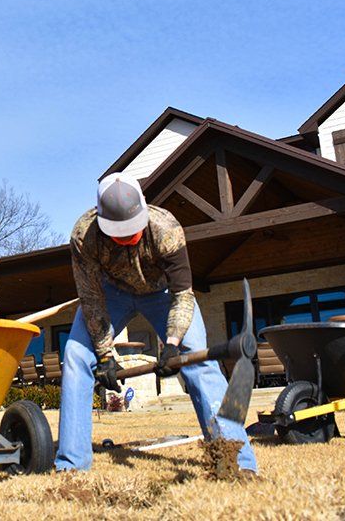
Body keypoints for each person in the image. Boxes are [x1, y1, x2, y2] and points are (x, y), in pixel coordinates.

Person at [54, 172, 257, 474]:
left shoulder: (167, 229)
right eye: (119, 232)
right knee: (75, 356)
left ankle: (236, 461)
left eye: (131, 231)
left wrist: (173, 345)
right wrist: (106, 355)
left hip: (163, 293)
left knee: (200, 359)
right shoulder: (85, 236)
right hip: (112, 293)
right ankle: (71, 466)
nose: (127, 238)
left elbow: (183, 295)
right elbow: (92, 299)